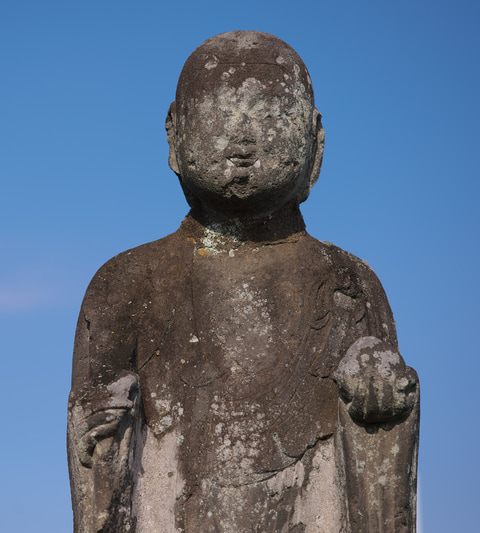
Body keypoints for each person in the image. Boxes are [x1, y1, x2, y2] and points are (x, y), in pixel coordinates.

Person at [67, 31, 419, 533]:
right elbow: (94, 457)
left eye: (269, 114)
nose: (242, 138)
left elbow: (381, 473)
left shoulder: (350, 285)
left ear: (315, 141)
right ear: (174, 134)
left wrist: (378, 406)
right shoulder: (126, 284)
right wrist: (98, 433)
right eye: (219, 114)